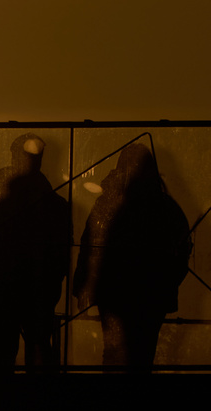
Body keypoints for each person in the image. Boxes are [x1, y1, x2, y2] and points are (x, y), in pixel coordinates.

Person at [73, 142, 191, 370]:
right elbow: (182, 250)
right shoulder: (165, 208)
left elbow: (91, 245)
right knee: (142, 355)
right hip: (151, 295)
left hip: (114, 293)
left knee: (115, 354)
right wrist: (167, 282)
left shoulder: (109, 204)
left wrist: (84, 285)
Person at [0, 133, 71, 371]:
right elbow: (61, 252)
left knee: (2, 349)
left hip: (5, 288)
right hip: (38, 289)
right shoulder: (56, 205)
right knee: (36, 345)